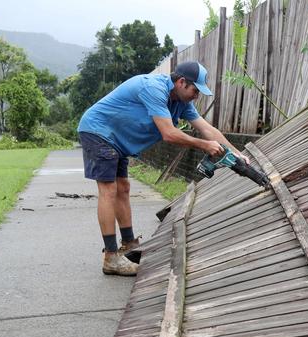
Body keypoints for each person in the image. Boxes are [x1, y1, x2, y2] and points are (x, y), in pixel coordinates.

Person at [77, 61, 248, 276]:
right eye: (195, 90)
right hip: (98, 131)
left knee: (123, 188)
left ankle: (129, 245)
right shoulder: (154, 88)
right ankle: (111, 257)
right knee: (109, 190)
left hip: (116, 139)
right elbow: (169, 133)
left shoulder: (181, 102)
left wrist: (237, 153)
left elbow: (206, 128)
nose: (197, 96)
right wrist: (204, 145)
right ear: (181, 82)